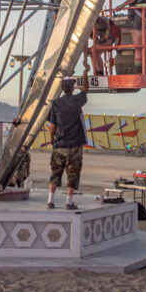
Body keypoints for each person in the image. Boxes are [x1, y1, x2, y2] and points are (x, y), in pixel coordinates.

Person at [46, 77, 87, 210]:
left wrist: (52, 139)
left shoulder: (56, 103)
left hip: (59, 145)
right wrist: (85, 72)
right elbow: (85, 89)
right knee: (72, 174)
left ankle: (50, 201)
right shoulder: (77, 101)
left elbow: (52, 126)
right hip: (74, 146)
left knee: (55, 172)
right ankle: (69, 203)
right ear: (73, 88)